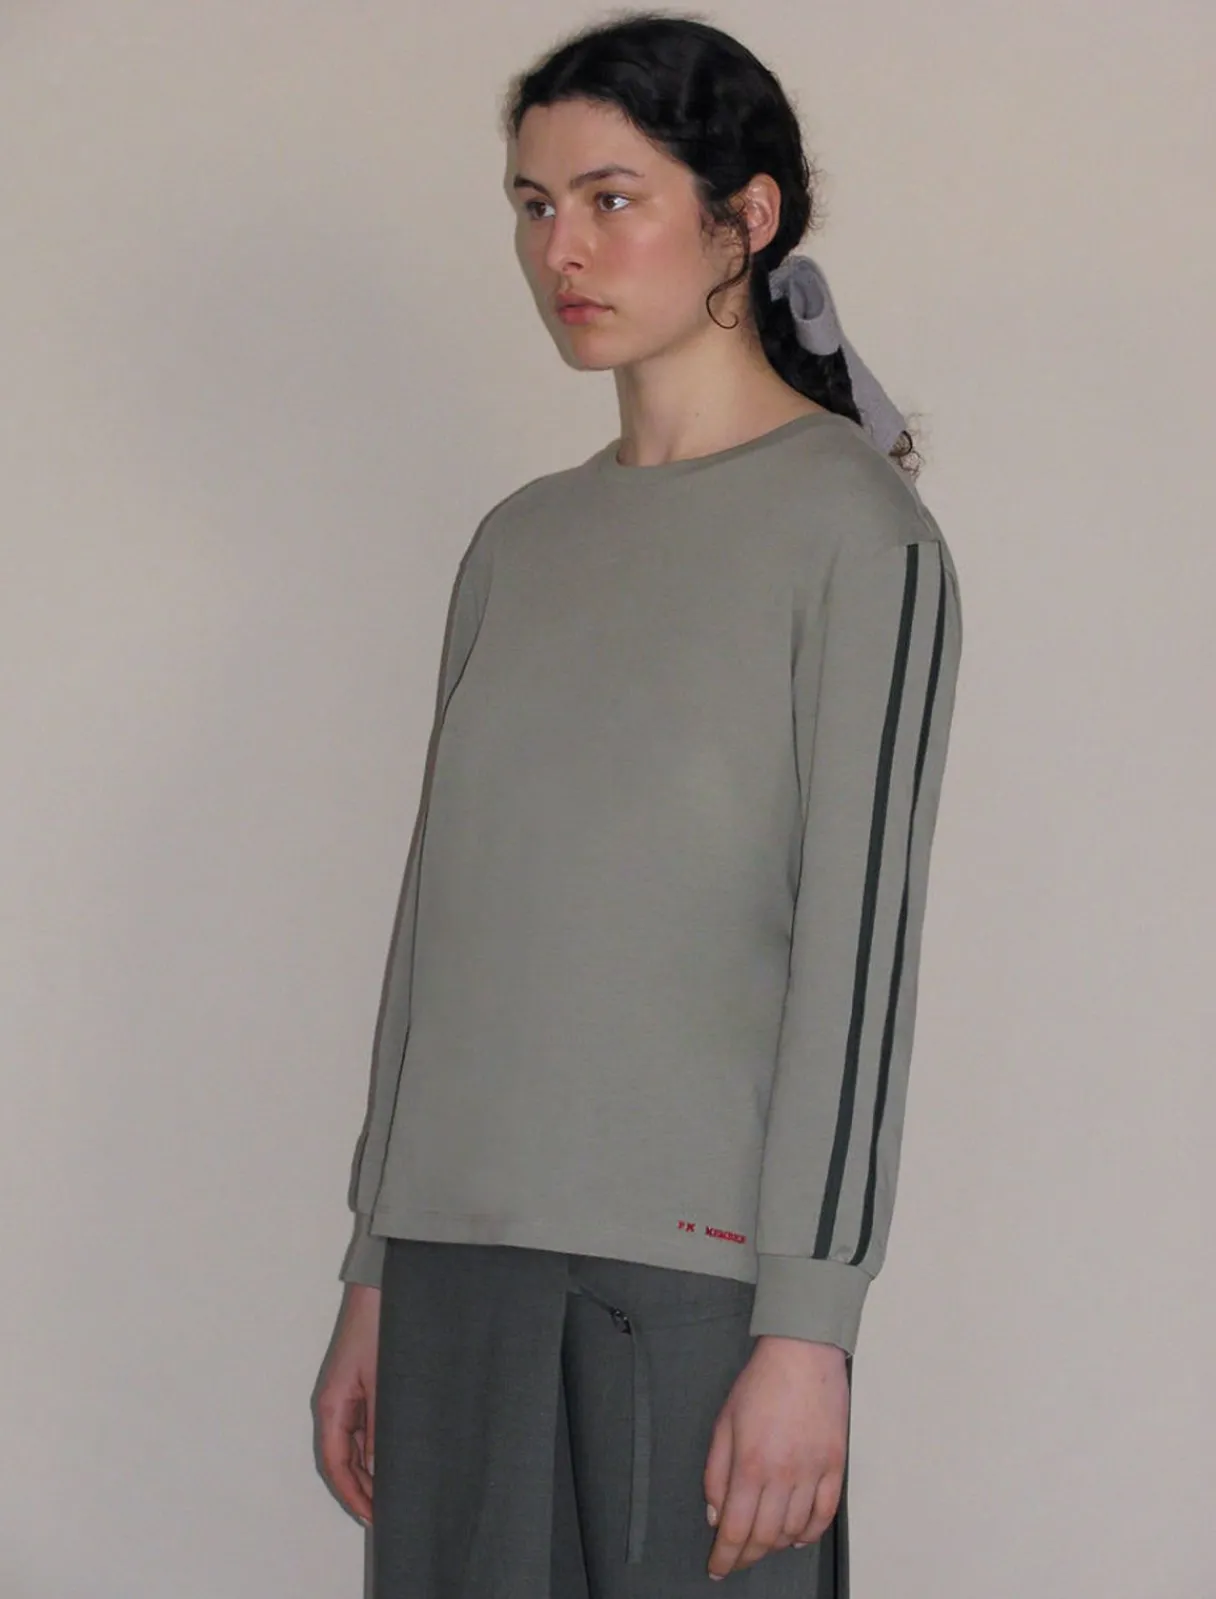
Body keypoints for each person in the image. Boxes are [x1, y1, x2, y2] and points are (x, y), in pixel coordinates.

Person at [314, 12, 963, 1597]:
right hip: (455, 1268)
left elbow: (856, 965)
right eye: (536, 205)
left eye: (613, 199)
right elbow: (438, 928)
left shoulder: (856, 535)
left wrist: (809, 1329)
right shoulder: (518, 544)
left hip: (693, 1285)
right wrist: (373, 1267)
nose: (562, 251)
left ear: (748, 216)